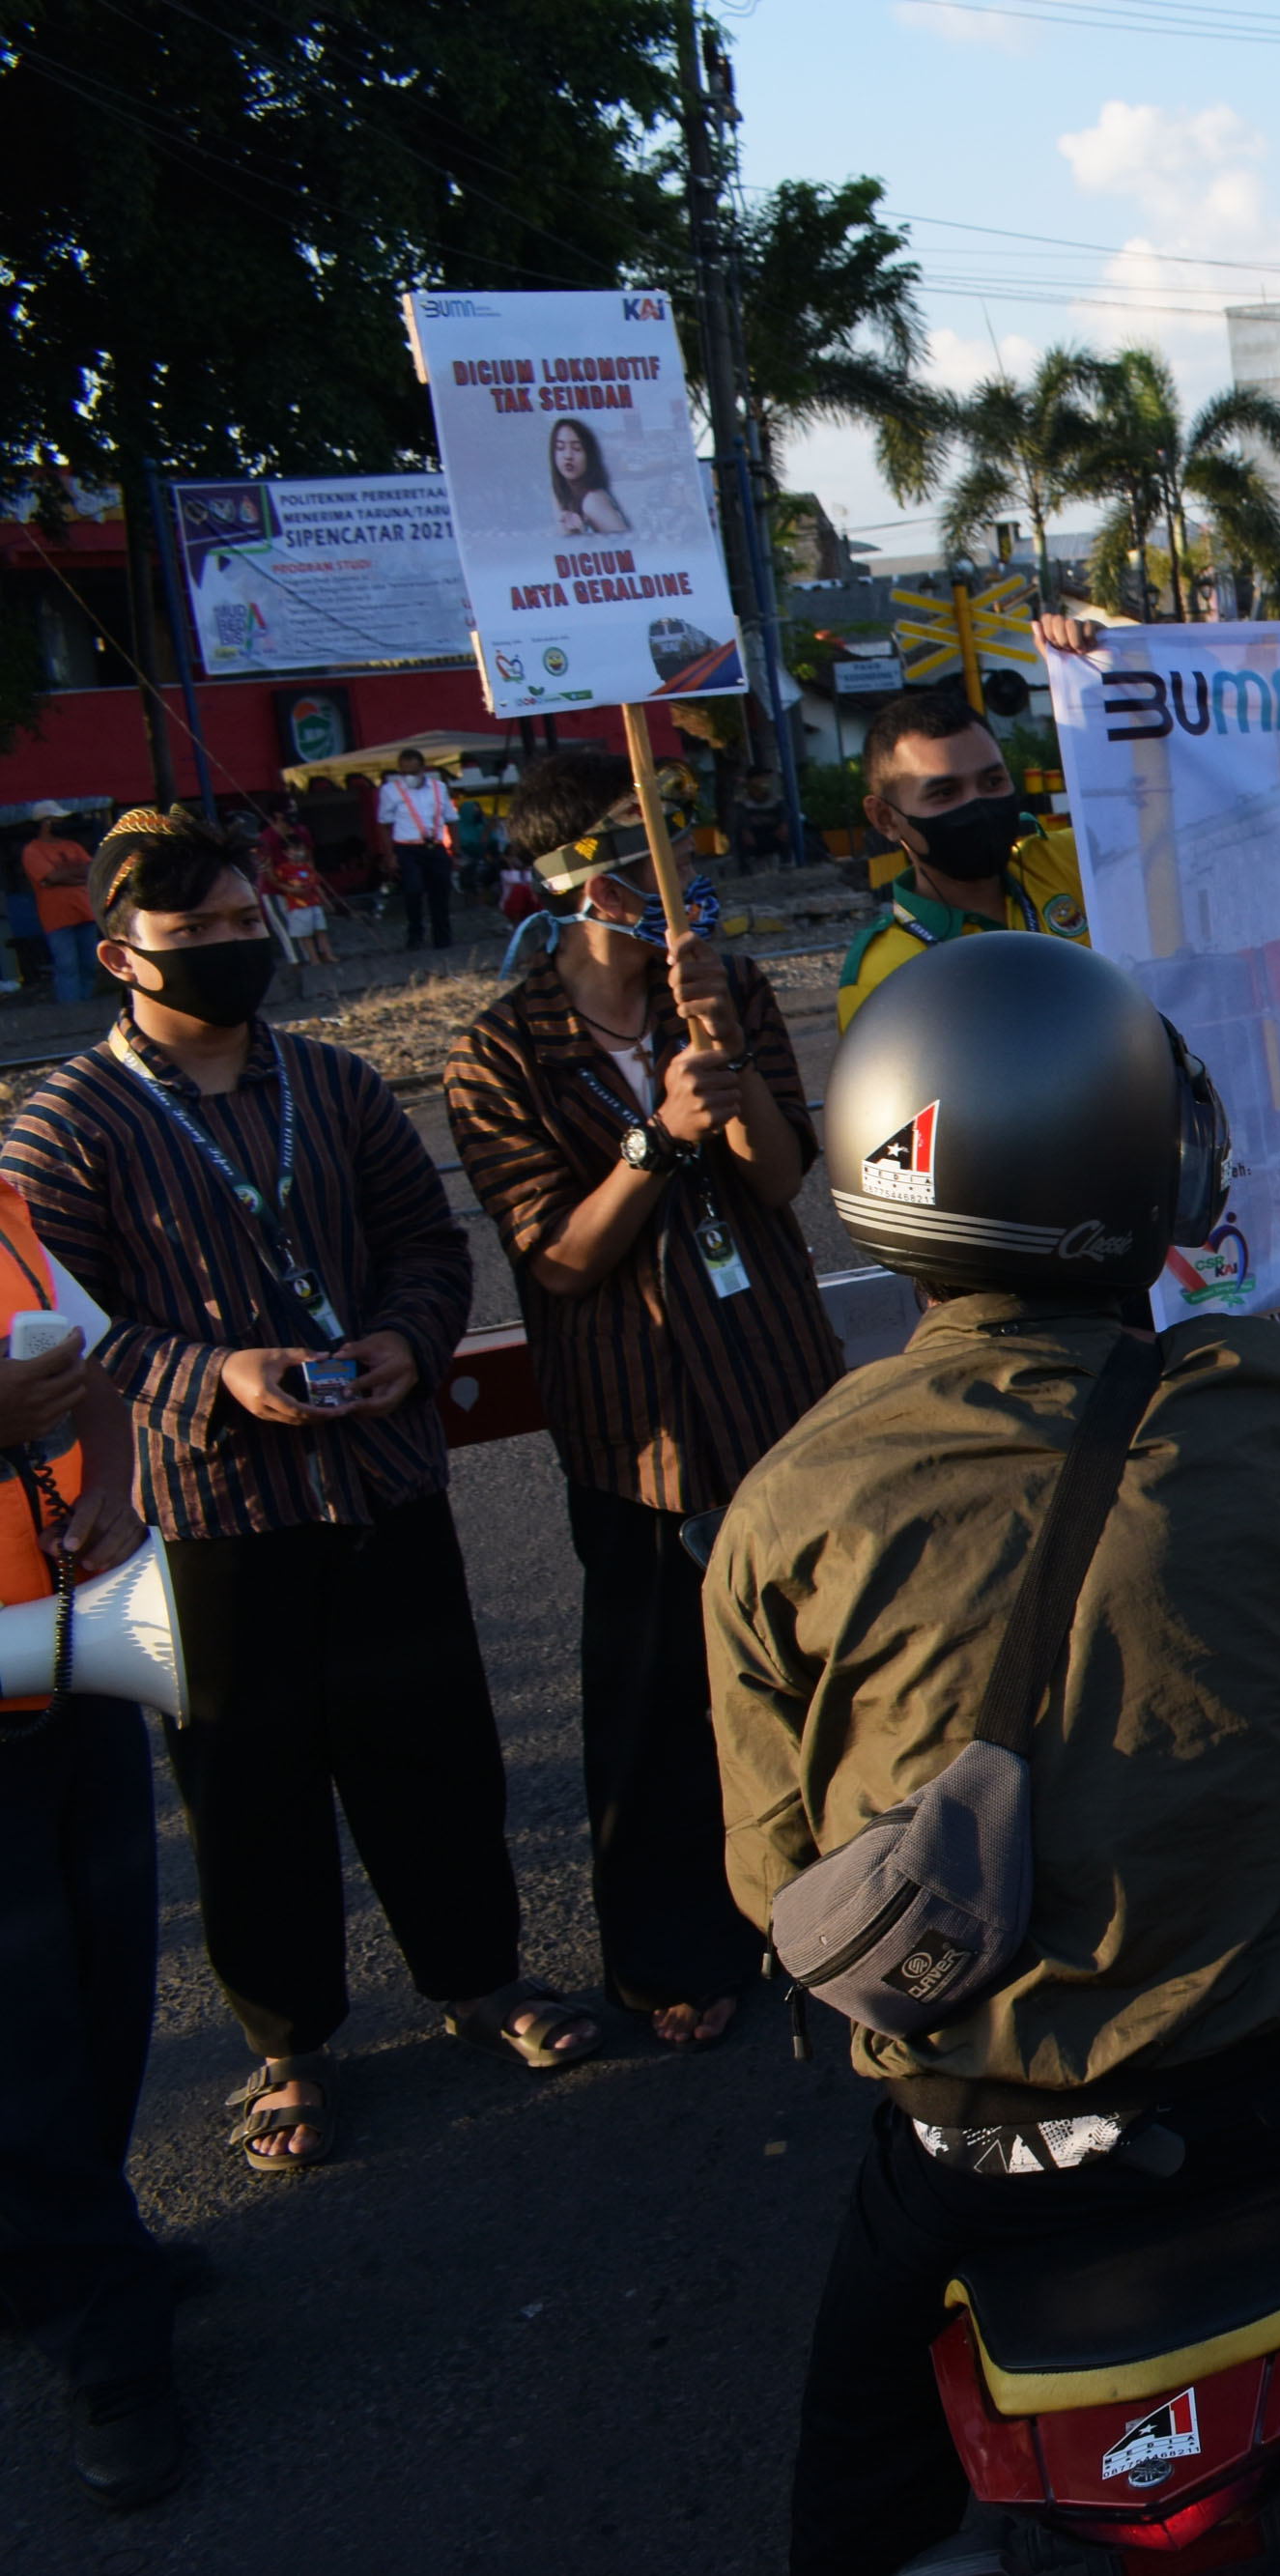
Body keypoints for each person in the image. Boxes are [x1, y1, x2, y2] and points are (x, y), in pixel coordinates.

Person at [708, 931, 1280, 2576]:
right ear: (1132, 1167)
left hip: (984, 2148)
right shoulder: (1262, 1390)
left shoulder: (792, 1497)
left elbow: (773, 1876)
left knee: (850, 2476)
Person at [0, 808, 594, 2175]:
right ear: (120, 954)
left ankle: (483, 1979)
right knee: (246, 1790)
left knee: (435, 1751)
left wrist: (406, 1333)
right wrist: (217, 1372)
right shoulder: (68, 1123)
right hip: (209, 1513)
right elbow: (65, 1321)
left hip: (379, 1482)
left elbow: (423, 1241)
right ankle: (289, 2044)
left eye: (237, 925)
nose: (223, 949)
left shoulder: (331, 1082)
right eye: (190, 933)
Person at [444, 751, 840, 2053]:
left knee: (825, 1662)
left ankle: (847, 1911)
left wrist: (725, 1083)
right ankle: (669, 1945)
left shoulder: (729, 992)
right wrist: (654, 1134)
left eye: (677, 836)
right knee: (658, 1693)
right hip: (642, 1428)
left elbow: (782, 1184)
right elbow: (555, 1254)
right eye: (638, 846)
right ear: (570, 883)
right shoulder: (500, 1051)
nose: (673, 867)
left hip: (778, 1381)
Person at [0, 1188, 169, 2507]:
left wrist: (109, 1493)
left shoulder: (2, 1203)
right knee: (23, 2038)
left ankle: (78, 2240)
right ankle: (105, 2338)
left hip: (66, 1661)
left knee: (109, 1983)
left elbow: (98, 1375)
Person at [830, 687, 1087, 1033]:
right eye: (945, 793)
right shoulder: (883, 975)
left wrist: (1099, 663)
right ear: (885, 819)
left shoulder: (1070, 860)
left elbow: (1170, 826)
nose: (979, 806)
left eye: (993, 781)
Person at [375, 750, 458, 952]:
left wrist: (456, 850)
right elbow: (384, 824)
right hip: (407, 847)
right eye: (404, 772)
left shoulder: (438, 788)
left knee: (440, 892)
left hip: (435, 846)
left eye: (412, 771)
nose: (408, 776)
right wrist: (390, 855)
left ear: (422, 768)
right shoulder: (390, 791)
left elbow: (452, 819)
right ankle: (415, 933)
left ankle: (442, 938)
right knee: (413, 889)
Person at [24, 812, 96, 1003]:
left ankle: (85, 1005)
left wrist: (62, 876)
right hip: (57, 918)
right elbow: (50, 878)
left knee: (90, 964)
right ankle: (70, 1010)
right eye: (56, 819)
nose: (62, 823)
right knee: (67, 965)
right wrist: (75, 876)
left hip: (85, 912)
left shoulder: (73, 846)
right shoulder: (32, 850)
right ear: (44, 824)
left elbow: (92, 870)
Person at [257, 802, 336, 966]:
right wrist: (291, 889)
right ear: (278, 814)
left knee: (315, 925)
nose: (294, 812)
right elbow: (268, 873)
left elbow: (309, 860)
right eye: (290, 809)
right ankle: (299, 962)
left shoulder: (301, 831)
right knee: (288, 930)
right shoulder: (266, 838)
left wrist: (308, 883)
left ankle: (320, 955)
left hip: (305, 889)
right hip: (275, 890)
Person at [546, 419, 631, 537]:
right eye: (560, 448)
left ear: (589, 456)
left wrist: (580, 538)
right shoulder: (559, 492)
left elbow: (627, 547)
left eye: (577, 448)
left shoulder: (593, 500)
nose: (568, 456)